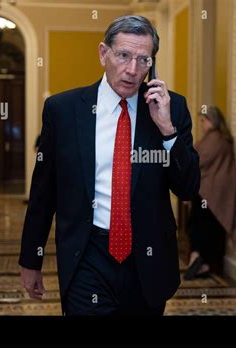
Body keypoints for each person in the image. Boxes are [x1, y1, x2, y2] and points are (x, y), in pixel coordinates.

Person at [19, 15, 200, 316]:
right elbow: (43, 192)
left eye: (144, 60)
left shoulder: (170, 108)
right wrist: (31, 259)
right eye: (124, 56)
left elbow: (188, 188)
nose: (132, 70)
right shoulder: (63, 111)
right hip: (86, 256)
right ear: (104, 53)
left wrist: (168, 131)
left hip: (148, 261)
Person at [184, 106, 236, 280]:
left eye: (204, 120)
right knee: (205, 228)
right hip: (212, 192)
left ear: (213, 120)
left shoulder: (215, 138)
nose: (202, 124)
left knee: (201, 227)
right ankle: (201, 261)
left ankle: (200, 261)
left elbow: (197, 158)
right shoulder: (219, 138)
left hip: (210, 192)